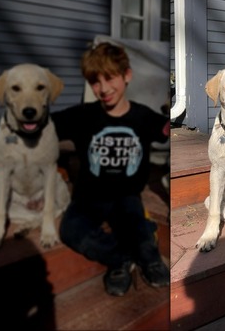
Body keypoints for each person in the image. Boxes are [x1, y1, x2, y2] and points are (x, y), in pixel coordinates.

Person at [52, 42, 170, 297]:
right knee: (71, 229)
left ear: (127, 75)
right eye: (95, 81)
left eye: (110, 78)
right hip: (89, 195)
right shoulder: (83, 115)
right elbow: (44, 124)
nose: (103, 88)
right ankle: (119, 259)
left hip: (127, 195)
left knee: (138, 226)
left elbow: (164, 131)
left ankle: (150, 258)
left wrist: (171, 109)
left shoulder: (143, 116)